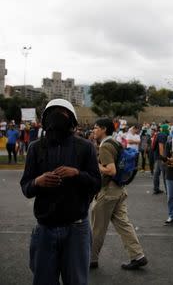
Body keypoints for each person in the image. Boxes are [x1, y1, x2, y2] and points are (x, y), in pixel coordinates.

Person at [20, 99, 101, 285]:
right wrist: (38, 182)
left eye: (62, 113)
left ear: (72, 119)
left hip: (77, 228)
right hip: (45, 228)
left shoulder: (85, 147)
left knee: (77, 280)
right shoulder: (35, 148)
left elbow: (96, 183)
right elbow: (26, 187)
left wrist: (77, 174)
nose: (57, 117)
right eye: (53, 112)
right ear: (45, 119)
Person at [90, 118, 148, 270]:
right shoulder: (115, 142)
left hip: (108, 191)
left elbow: (111, 170)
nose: (93, 130)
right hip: (119, 189)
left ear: (103, 129)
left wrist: (95, 165)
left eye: (96, 128)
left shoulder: (105, 147)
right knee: (123, 224)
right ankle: (138, 255)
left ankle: (91, 259)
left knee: (97, 227)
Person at [153, 123, 169, 194]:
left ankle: (156, 188)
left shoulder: (159, 134)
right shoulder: (163, 135)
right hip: (160, 157)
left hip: (156, 156)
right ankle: (168, 190)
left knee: (156, 173)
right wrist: (163, 158)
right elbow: (161, 146)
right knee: (165, 173)